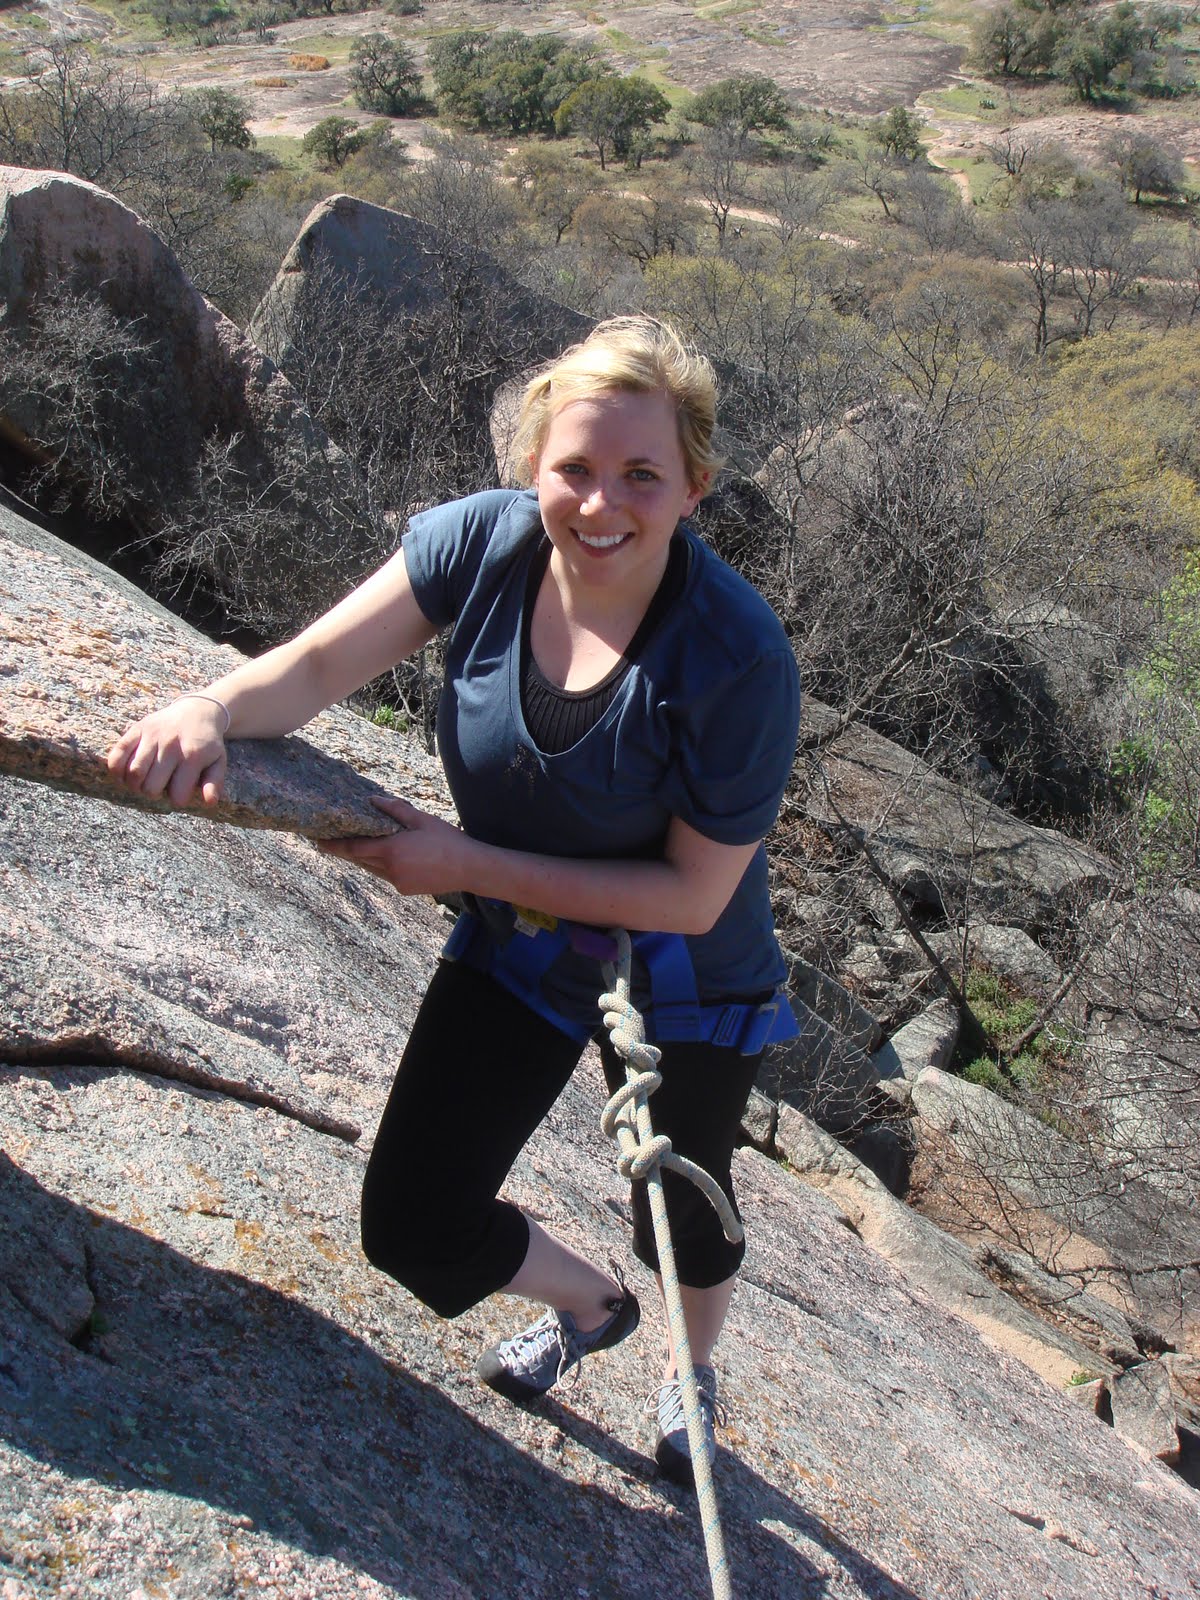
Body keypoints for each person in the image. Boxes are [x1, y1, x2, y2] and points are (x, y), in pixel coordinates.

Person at [107, 316, 801, 1486]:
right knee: (415, 1227)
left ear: (695, 485)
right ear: (532, 465)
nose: (601, 503)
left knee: (678, 1207)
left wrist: (464, 863)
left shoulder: (735, 659)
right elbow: (323, 666)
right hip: (526, 937)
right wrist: (214, 709)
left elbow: (690, 892)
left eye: (642, 473)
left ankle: (691, 1368)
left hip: (681, 968)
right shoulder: (480, 549)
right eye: (574, 467)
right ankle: (591, 1306)